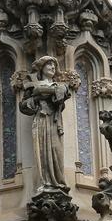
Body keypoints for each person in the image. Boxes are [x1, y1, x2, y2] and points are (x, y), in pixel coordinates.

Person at [20, 56, 71, 190]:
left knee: (56, 150)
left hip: (54, 122)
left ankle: (58, 182)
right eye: (49, 65)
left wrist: (46, 91)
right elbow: (23, 106)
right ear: (42, 68)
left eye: (54, 66)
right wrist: (36, 98)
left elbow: (62, 95)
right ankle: (45, 182)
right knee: (41, 151)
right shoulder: (32, 85)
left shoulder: (61, 86)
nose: (53, 67)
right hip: (41, 120)